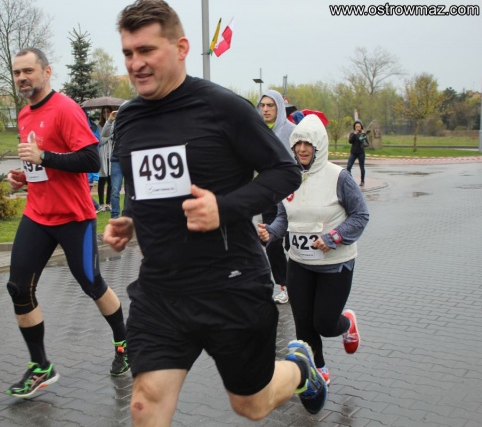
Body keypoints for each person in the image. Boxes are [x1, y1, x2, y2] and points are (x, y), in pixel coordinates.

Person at [104, 1, 327, 424]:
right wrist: (130, 218)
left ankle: (301, 368)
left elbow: (285, 172)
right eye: (128, 53)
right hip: (162, 290)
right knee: (144, 403)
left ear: (181, 48)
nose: (136, 63)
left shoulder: (223, 108)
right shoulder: (129, 118)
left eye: (147, 50)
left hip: (230, 284)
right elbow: (144, 186)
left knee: (251, 405)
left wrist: (223, 208)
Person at [5, 47, 129, 399]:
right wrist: (23, 177)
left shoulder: (66, 109)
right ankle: (40, 366)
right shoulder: (24, 114)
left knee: (92, 284)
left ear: (47, 72)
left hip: (74, 217)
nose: (22, 78)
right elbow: (40, 166)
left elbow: (90, 160)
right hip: (37, 214)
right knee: (18, 288)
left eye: (28, 71)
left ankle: (124, 342)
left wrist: (43, 156)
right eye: (17, 73)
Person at [258, 114, 369, 387]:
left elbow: (360, 215)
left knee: (324, 324)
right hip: (299, 262)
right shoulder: (289, 178)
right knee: (303, 324)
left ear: (319, 145)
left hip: (335, 264)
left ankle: (346, 324)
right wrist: (271, 232)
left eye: (308, 144)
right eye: (298, 144)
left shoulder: (338, 177)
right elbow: (284, 217)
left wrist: (334, 237)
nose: (302, 149)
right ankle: (318, 368)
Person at [257, 90, 295, 304]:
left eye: (270, 105)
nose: (265, 109)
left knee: (292, 245)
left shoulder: (291, 131)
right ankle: (284, 285)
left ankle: (299, 283)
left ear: (279, 107)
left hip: (291, 197)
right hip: (269, 196)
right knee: (271, 242)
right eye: (262, 105)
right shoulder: (258, 130)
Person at [106, 107, 125, 219]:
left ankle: (127, 214)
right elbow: (104, 134)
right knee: (115, 190)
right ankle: (115, 216)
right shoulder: (115, 124)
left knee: (130, 190)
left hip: (129, 158)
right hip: (116, 159)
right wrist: (110, 120)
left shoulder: (132, 123)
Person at [97, 107, 113, 212]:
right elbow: (100, 140)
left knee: (110, 180)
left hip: (111, 154)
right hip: (102, 154)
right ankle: (101, 203)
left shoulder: (114, 124)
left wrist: (109, 135)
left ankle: (108, 203)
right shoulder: (99, 126)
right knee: (102, 179)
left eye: (108, 112)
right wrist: (110, 136)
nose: (106, 114)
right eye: (104, 112)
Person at [347, 120, 368, 187]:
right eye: (356, 126)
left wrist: (363, 136)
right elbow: (350, 141)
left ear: (361, 127)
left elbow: (366, 144)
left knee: (362, 167)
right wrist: (354, 134)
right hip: (353, 152)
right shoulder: (352, 134)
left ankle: (362, 181)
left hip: (361, 152)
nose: (358, 128)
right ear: (354, 127)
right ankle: (350, 180)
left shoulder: (363, 134)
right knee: (348, 166)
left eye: (359, 126)